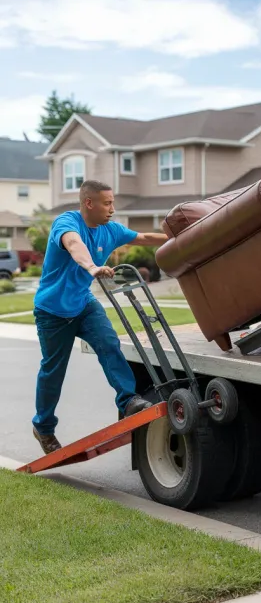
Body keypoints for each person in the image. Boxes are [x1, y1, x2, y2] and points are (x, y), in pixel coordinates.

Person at [31, 179, 169, 454]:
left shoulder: (111, 230)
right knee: (53, 372)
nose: (112, 209)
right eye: (107, 203)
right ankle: (43, 428)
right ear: (88, 203)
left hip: (83, 305)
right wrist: (92, 266)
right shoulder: (66, 223)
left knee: (109, 343)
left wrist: (181, 235)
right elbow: (73, 244)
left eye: (113, 203)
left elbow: (143, 238)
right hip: (52, 312)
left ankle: (128, 400)